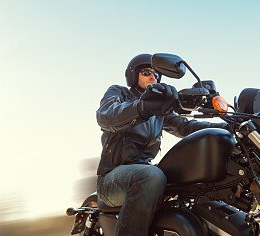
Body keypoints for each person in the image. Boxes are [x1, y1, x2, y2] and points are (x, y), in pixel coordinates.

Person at [96, 53, 230, 236]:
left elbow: (185, 126)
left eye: (156, 74)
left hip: (143, 172)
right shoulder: (119, 93)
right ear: (133, 75)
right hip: (112, 178)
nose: (153, 77)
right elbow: (106, 116)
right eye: (146, 72)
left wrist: (230, 127)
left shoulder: (159, 110)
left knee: (194, 179)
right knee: (152, 176)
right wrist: (141, 108)